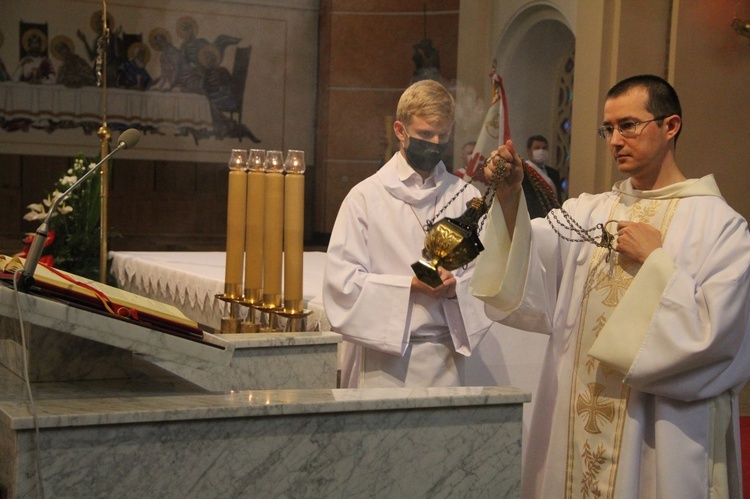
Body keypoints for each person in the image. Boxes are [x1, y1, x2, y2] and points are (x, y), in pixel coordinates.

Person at [471, 74, 750, 497]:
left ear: (670, 126)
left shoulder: (721, 227)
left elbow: (717, 340)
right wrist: (511, 197)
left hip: (661, 433)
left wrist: (656, 264)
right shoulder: (592, 212)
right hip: (578, 420)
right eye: (608, 129)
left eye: (629, 125)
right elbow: (529, 264)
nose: (615, 139)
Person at [323, 79, 493, 388]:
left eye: (443, 135)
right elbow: (342, 285)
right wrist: (409, 287)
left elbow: (487, 277)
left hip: (446, 359)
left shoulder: (466, 198)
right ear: (401, 131)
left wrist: (456, 288)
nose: (435, 144)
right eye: (425, 135)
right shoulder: (365, 198)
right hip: (383, 362)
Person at [521, 134, 564, 218]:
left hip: (552, 218)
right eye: (537, 148)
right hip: (531, 217)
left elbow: (558, 199)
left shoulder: (554, 173)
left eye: (544, 148)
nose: (541, 151)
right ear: (529, 150)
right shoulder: (523, 172)